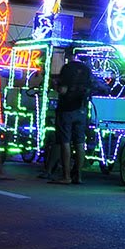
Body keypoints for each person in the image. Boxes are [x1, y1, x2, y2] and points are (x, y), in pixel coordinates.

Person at [51, 53, 95, 184]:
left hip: (66, 109)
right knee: (80, 142)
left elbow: (63, 90)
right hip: (81, 109)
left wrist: (54, 85)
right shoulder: (87, 70)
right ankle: (79, 176)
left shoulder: (67, 68)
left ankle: (66, 176)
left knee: (65, 142)